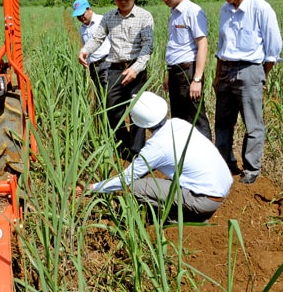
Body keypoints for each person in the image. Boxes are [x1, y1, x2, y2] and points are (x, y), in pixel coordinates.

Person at [76, 91, 233, 223]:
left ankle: (181, 218)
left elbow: (127, 178)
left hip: (205, 200)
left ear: (140, 123)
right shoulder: (179, 124)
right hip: (223, 185)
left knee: (136, 187)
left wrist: (91, 188)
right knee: (162, 182)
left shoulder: (156, 147)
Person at [210, 0, 283, 184]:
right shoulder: (225, 9)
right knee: (222, 122)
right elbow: (222, 45)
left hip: (250, 70)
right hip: (225, 70)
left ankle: (251, 172)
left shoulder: (261, 8)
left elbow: (273, 50)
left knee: (253, 125)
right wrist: (217, 76)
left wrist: (261, 76)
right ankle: (225, 164)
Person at [78, 0, 154, 160]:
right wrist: (85, 51)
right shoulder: (109, 17)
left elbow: (148, 46)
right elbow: (97, 38)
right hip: (114, 69)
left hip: (137, 69)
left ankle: (137, 151)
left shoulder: (145, 16)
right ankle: (123, 146)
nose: (123, 1)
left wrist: (136, 68)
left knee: (138, 111)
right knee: (112, 110)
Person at [153, 0, 212, 141]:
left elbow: (202, 45)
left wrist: (197, 79)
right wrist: (168, 73)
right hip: (175, 71)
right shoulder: (174, 13)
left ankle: (207, 159)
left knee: (196, 118)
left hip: (189, 72)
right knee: (179, 118)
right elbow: (175, 46)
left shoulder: (193, 11)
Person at [72, 0, 111, 95]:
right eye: (78, 16)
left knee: (109, 94)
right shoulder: (82, 29)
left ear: (89, 9)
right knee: (99, 95)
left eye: (82, 14)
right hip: (94, 66)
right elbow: (86, 47)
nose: (81, 18)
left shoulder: (102, 20)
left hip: (107, 63)